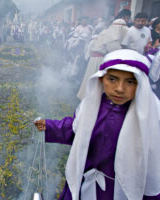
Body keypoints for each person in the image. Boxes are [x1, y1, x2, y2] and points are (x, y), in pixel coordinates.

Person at [34, 49, 160, 199]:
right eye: (112, 79)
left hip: (119, 189)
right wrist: (49, 126)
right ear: (101, 79)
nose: (120, 89)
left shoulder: (149, 117)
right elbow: (75, 129)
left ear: (140, 84)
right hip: (86, 179)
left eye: (130, 81)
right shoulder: (92, 105)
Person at [77, 18, 129, 99]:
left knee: (92, 80)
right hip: (99, 60)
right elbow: (115, 50)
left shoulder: (106, 32)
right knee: (97, 82)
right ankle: (94, 99)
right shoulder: (112, 36)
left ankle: (89, 98)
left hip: (94, 59)